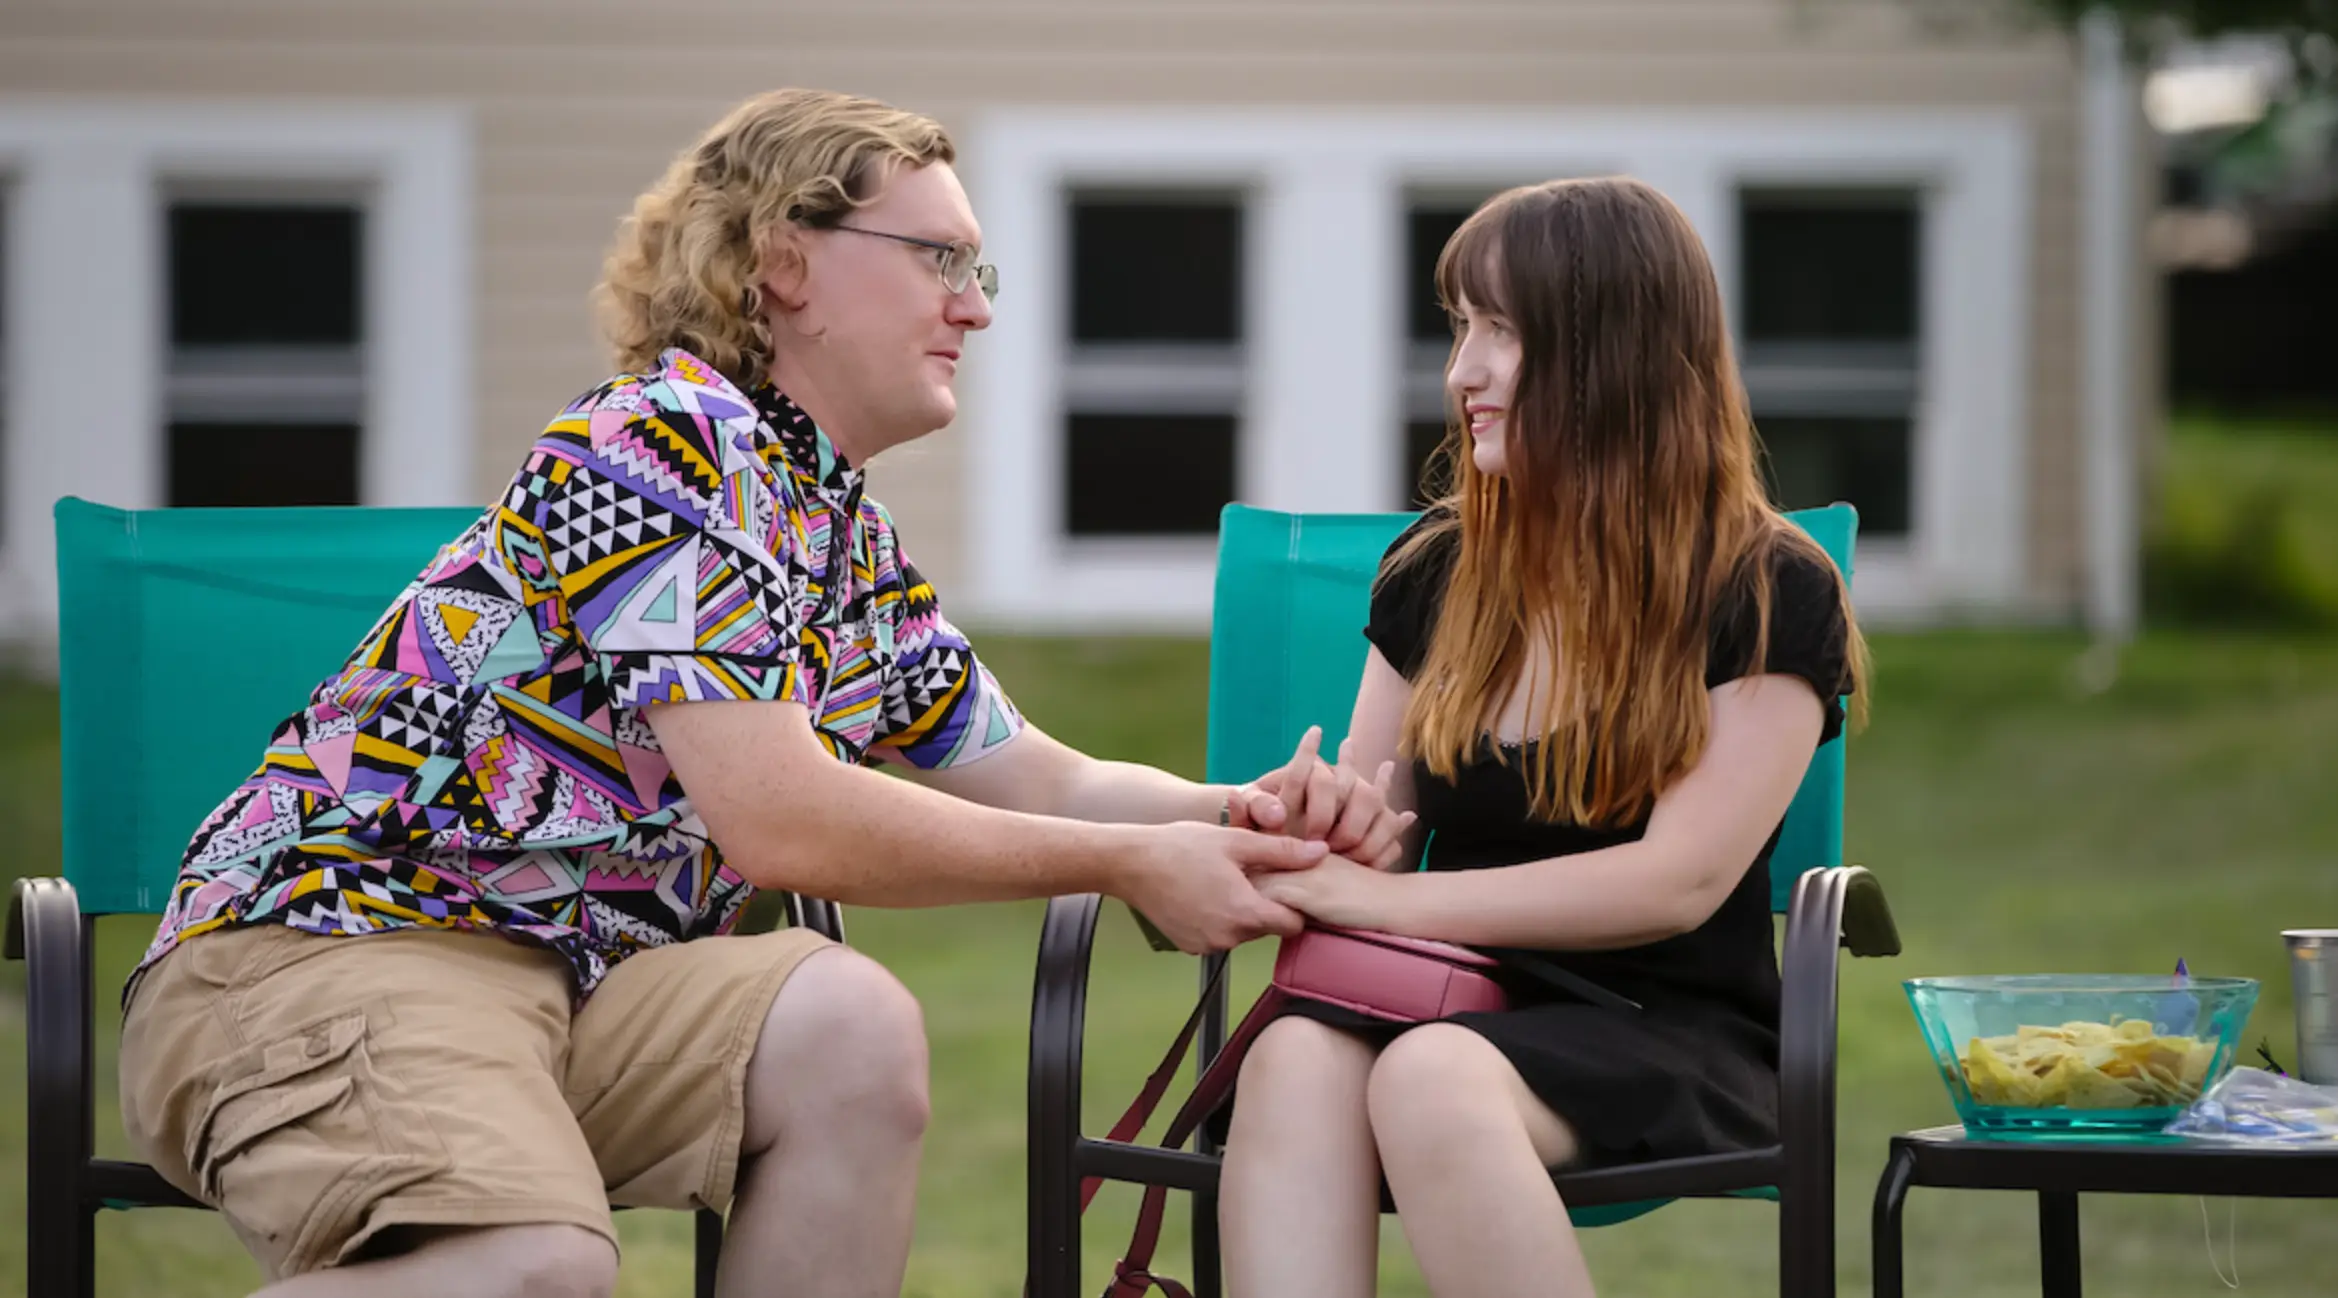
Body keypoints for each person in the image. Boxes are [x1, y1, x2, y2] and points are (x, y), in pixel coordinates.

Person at [115, 88, 1408, 1298]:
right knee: (535, 1272)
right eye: (940, 259)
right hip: (341, 955)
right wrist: (1128, 867)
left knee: (842, 1025)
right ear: (783, 261)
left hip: (581, 991)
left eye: (978, 269)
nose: (976, 307)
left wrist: (1242, 818)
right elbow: (783, 823)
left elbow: (1045, 777)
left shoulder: (830, 528)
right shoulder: (661, 441)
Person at [1215, 176, 1868, 1298]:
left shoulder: (1765, 588)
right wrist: (1327, 822)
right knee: (1291, 1057)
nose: (1462, 370)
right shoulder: (1438, 568)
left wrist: (1384, 901)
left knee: (1428, 1077)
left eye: (1502, 330)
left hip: (1667, 1025)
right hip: (1455, 989)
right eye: (1460, 326)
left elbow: (1675, 881)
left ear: (1613, 351)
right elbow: (1376, 826)